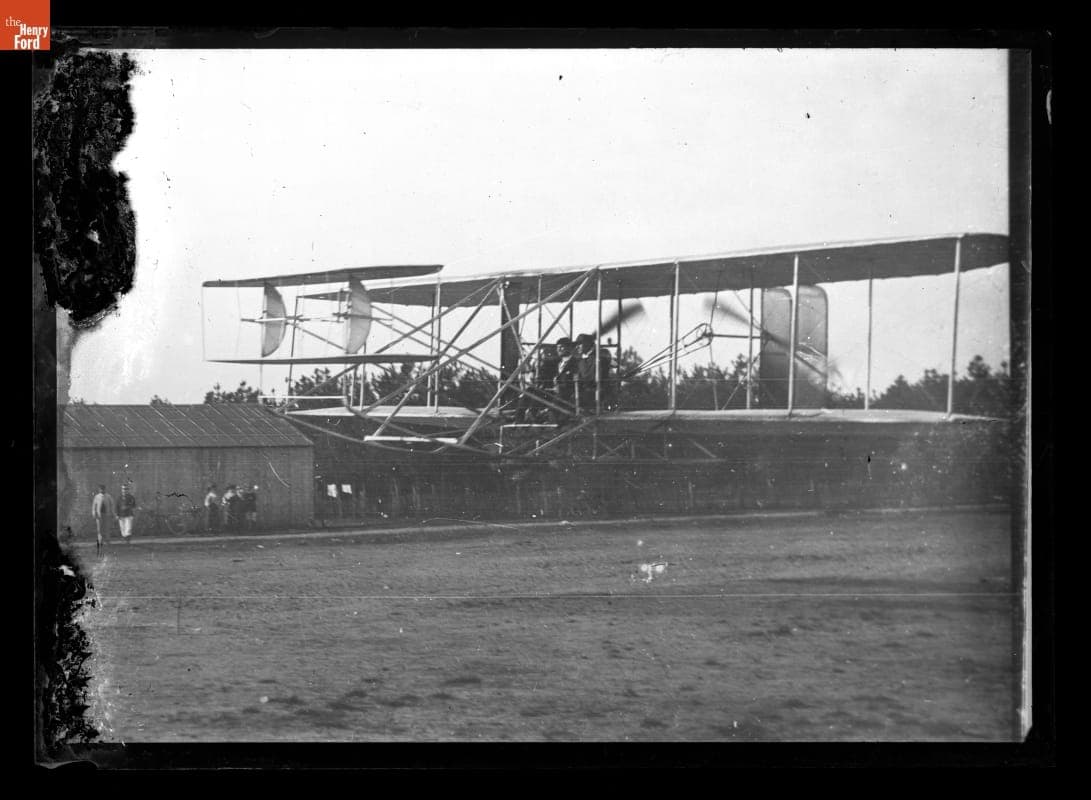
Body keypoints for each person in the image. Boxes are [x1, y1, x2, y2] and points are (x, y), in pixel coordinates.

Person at [91, 484, 115, 554]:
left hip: (107, 515)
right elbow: (94, 506)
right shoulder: (97, 497)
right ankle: (100, 541)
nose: (102, 490)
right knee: (99, 529)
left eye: (103, 489)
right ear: (99, 490)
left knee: (107, 528)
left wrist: (113, 513)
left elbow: (112, 505)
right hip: (99, 515)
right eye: (101, 489)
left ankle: (108, 541)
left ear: (105, 489)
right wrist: (94, 513)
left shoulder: (108, 496)